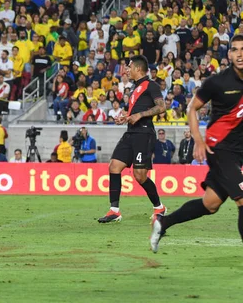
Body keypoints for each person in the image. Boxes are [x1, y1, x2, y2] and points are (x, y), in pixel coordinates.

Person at [151, 35, 243, 252]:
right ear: (229, 54)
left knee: (210, 204)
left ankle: (163, 223)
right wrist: (198, 140)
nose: (240, 54)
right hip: (218, 148)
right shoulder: (218, 82)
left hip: (238, 151)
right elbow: (192, 108)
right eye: (236, 49)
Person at [99, 55, 167, 223]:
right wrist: (125, 117)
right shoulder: (134, 88)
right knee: (114, 166)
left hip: (144, 134)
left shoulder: (151, 86)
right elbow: (134, 113)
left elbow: (161, 106)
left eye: (128, 67)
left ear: (138, 68)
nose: (126, 70)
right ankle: (114, 211)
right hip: (131, 132)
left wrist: (140, 115)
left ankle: (159, 207)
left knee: (140, 175)